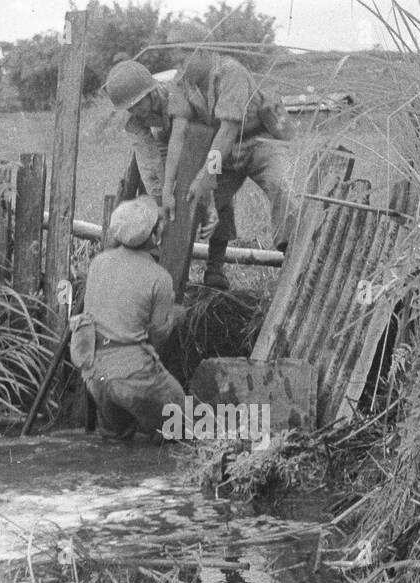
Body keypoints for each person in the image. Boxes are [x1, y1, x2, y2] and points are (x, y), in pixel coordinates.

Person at [160, 21, 296, 290]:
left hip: (259, 142)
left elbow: (229, 129)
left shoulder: (230, 72)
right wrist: (167, 188)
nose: (179, 63)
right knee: (206, 201)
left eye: (184, 56)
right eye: (175, 57)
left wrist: (206, 174)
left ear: (204, 51)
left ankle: (291, 258)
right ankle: (214, 269)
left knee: (282, 187)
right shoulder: (181, 83)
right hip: (222, 151)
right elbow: (178, 134)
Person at [75, 196, 187, 443]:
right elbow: (159, 334)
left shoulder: (98, 263)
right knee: (179, 424)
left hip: (95, 375)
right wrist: (175, 316)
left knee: (115, 444)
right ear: (152, 236)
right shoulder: (160, 278)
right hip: (132, 375)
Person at [103, 59, 218, 239]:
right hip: (165, 135)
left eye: (139, 103)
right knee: (164, 192)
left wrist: (208, 198)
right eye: (130, 107)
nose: (135, 110)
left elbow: (208, 146)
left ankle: (215, 263)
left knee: (215, 192)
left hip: (201, 132)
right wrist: (161, 202)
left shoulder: (179, 89)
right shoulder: (131, 119)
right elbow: (149, 162)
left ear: (151, 91)